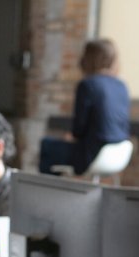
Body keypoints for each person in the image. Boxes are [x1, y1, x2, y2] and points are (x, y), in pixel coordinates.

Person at [38, 39, 130, 176]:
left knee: (47, 145)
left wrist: (72, 136)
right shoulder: (121, 85)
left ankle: (49, 193)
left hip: (93, 153)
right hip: (120, 153)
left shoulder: (87, 85)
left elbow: (79, 129)